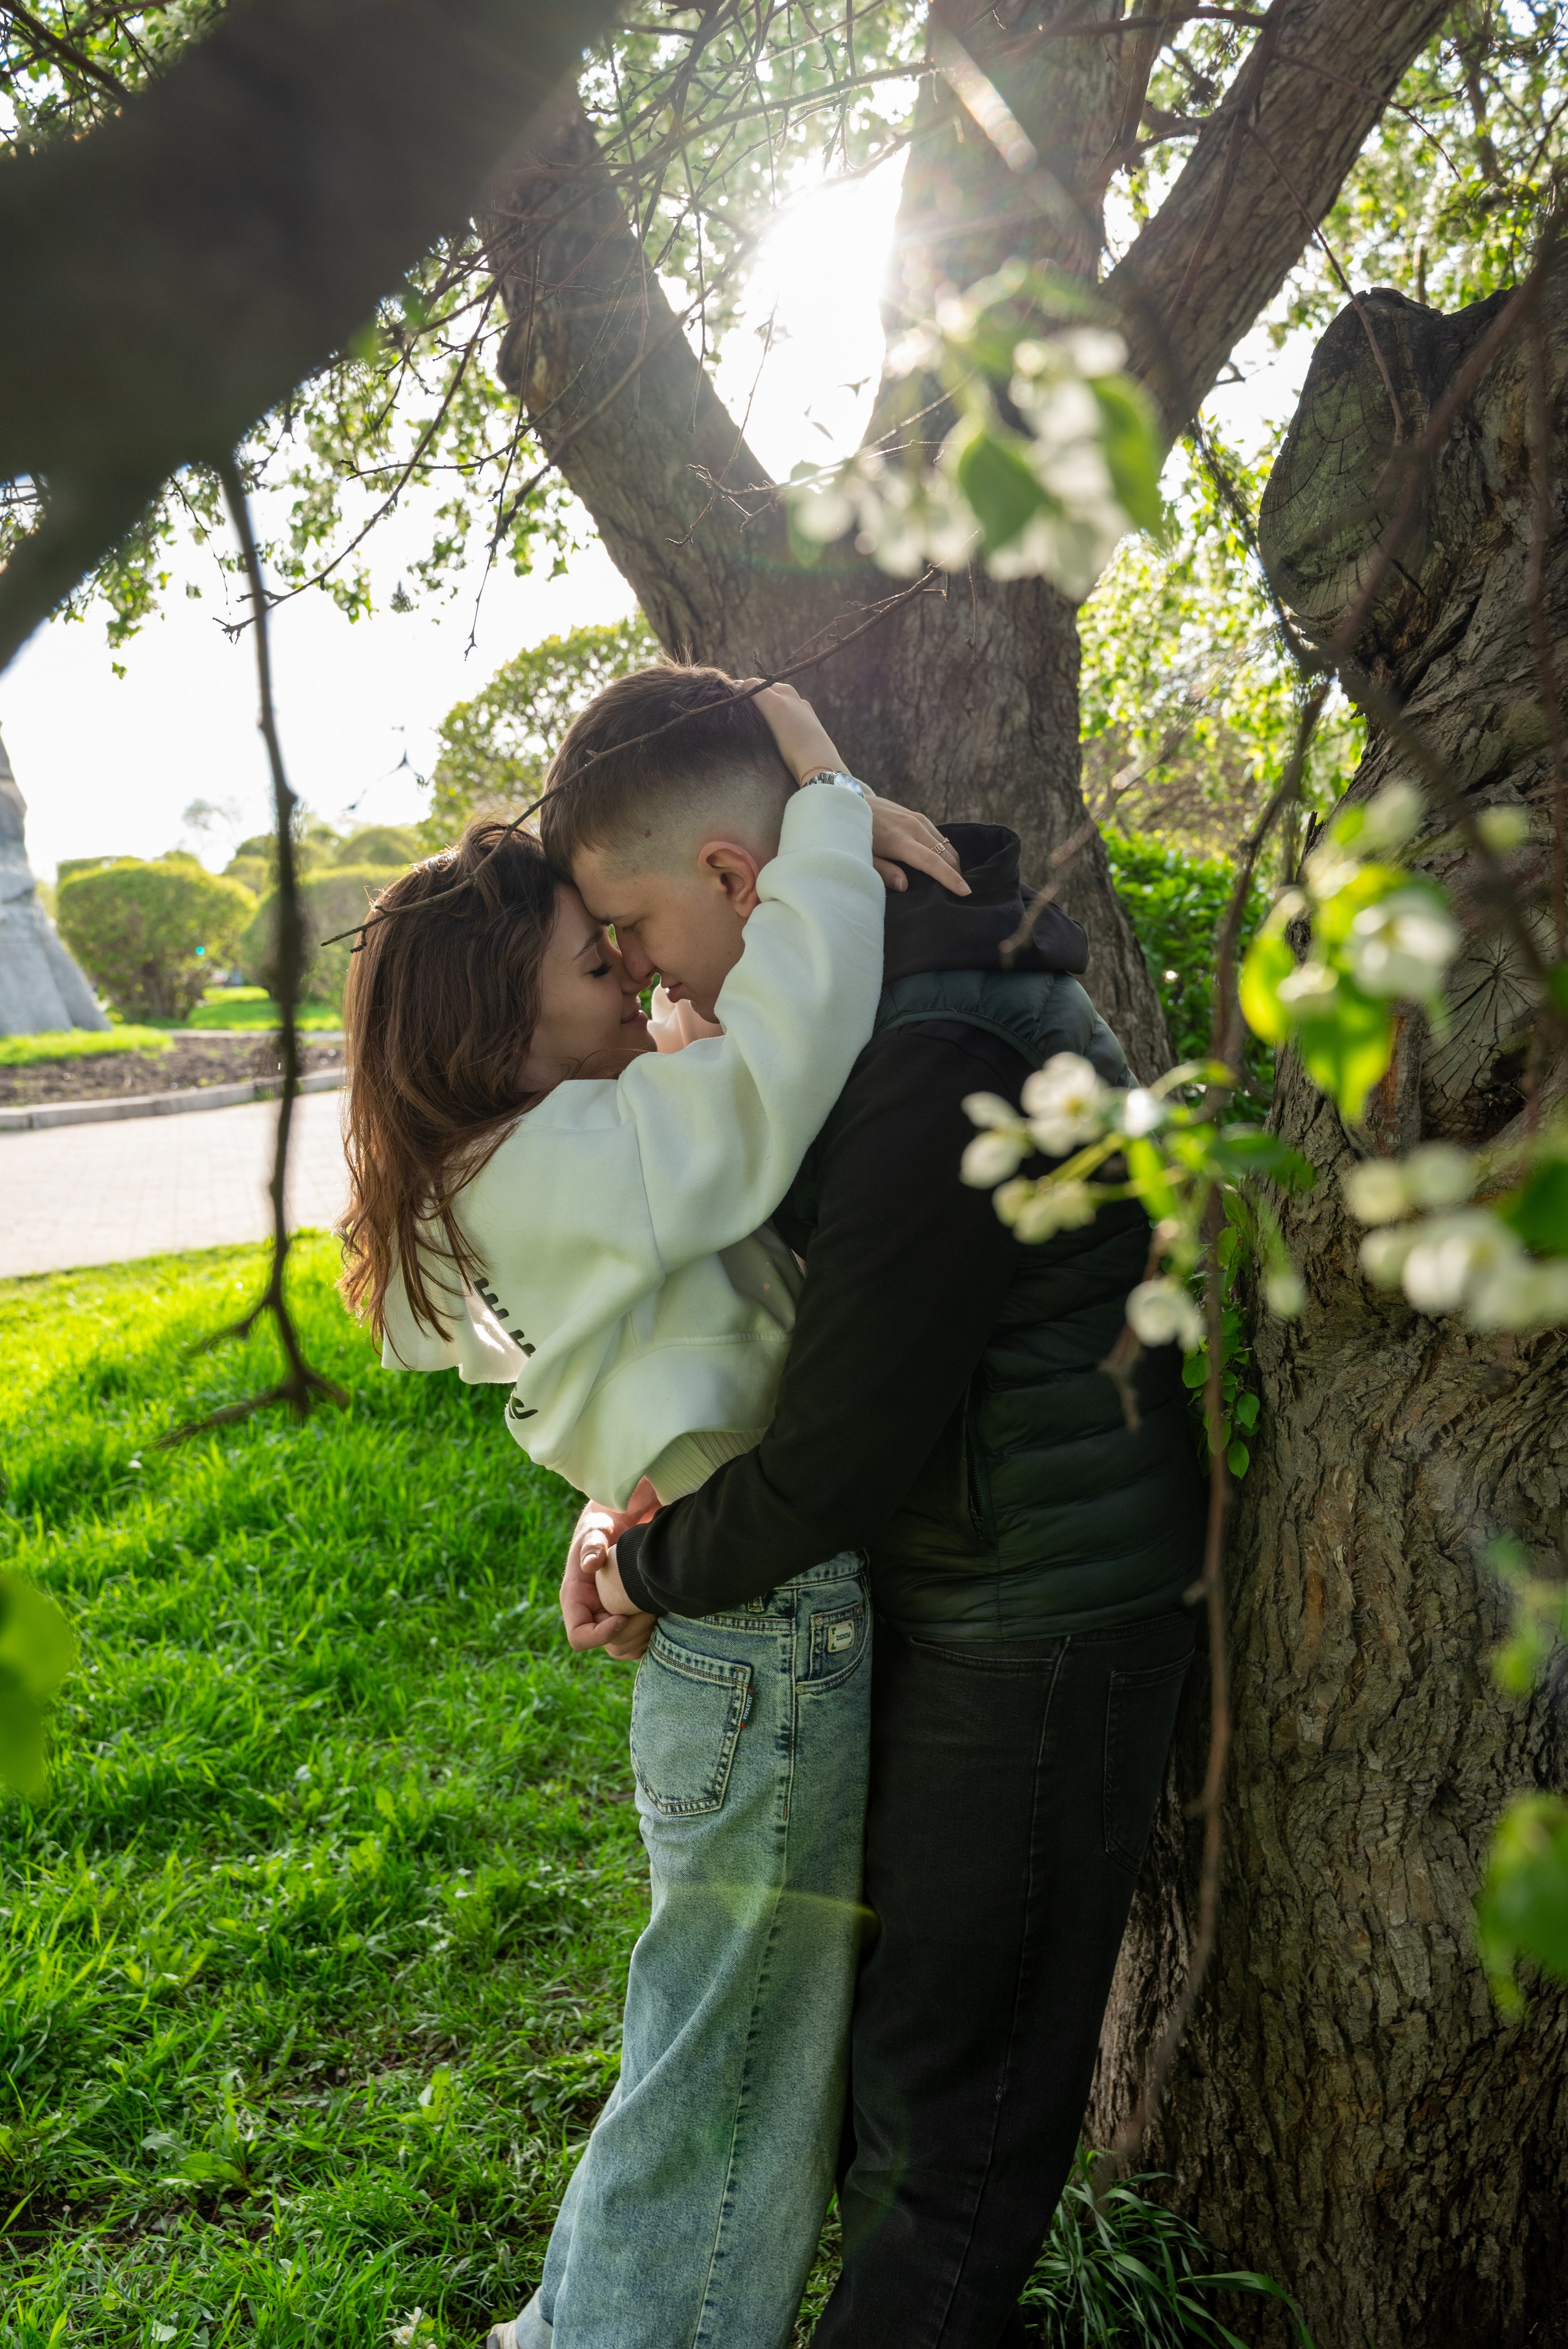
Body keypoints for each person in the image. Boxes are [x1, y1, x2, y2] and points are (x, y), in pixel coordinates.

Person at [336, 674, 968, 2349]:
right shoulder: (551, 1169)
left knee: (716, 2040)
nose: (628, 967)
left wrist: (606, 1512)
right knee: (730, 2067)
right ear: (493, 1018)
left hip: (728, 1624)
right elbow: (770, 1077)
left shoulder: (511, 1168)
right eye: (592, 958)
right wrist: (823, 798)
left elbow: (656, 1304)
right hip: (759, 1637)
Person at [561, 735, 1209, 2349]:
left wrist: (647, 1570)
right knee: (901, 2080)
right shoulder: (879, 998)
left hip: (1035, 1621)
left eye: (627, 925)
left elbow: (842, 1449)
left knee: (950, 2134)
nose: (626, 970)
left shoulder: (935, 1044)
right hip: (969, 1580)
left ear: (729, 880)